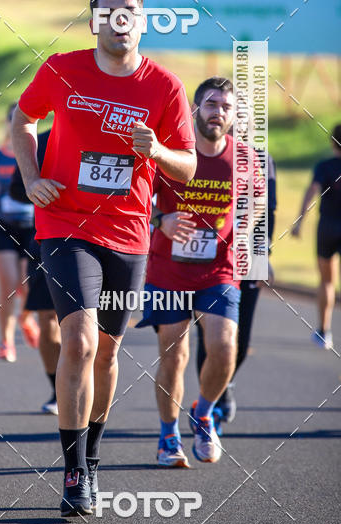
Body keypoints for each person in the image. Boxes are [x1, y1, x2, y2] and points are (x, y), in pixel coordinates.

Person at [12, 0, 196, 516]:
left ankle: (92, 459)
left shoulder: (164, 86)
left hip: (128, 233)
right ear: (94, 21)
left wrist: (158, 150)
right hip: (65, 225)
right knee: (80, 343)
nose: (119, 20)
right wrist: (30, 176)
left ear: (142, 20)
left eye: (129, 11)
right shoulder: (62, 69)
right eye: (108, 11)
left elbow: (188, 165)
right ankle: (72, 473)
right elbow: (22, 119)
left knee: (109, 352)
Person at [137, 77, 265, 466]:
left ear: (235, 114)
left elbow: (256, 200)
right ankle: (168, 435)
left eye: (226, 107)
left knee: (226, 346)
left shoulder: (244, 159)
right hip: (168, 269)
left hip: (218, 269)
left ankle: (205, 412)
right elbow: (137, 198)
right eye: (211, 105)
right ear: (195, 110)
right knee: (174, 353)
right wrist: (163, 219)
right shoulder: (172, 153)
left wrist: (242, 231)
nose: (218, 113)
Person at [195, 151, 277, 428]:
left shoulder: (261, 158)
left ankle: (224, 382)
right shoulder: (200, 151)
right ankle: (208, 407)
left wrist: (264, 253)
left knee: (240, 339)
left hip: (248, 257)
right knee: (212, 336)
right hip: (208, 259)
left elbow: (268, 208)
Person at [10, 127, 61, 414]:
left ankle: (88, 382)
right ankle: (57, 388)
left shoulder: (102, 133)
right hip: (47, 239)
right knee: (48, 321)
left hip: (97, 241)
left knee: (90, 327)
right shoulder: (38, 141)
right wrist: (38, 186)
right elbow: (17, 188)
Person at [0, 103, 40, 362]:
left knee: (26, 286)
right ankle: (6, 342)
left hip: (31, 226)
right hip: (2, 225)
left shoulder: (37, 154)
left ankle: (26, 318)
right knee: (8, 285)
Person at [291, 123, 341, 351]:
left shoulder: (325, 166)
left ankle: (323, 330)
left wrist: (299, 221)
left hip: (327, 229)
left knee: (326, 281)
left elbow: (311, 191)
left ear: (333, 142)